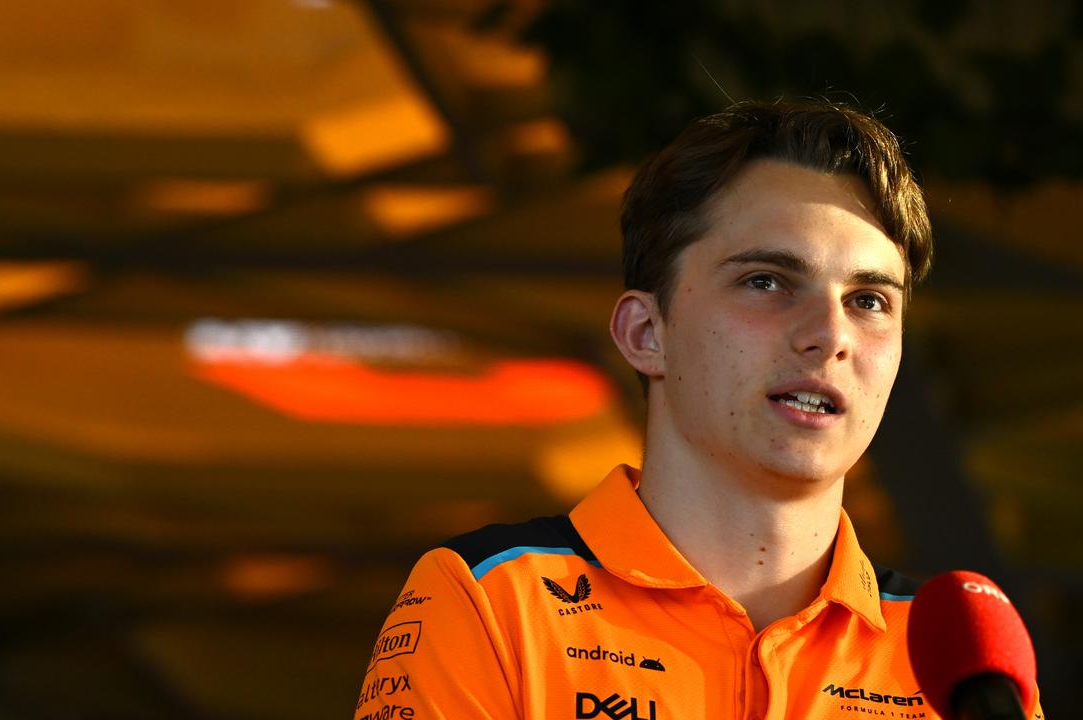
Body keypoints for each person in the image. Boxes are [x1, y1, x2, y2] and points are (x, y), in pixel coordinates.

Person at [354, 100, 1042, 720]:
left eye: (869, 301)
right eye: (766, 281)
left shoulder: (963, 667)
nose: (829, 335)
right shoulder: (491, 602)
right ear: (646, 334)